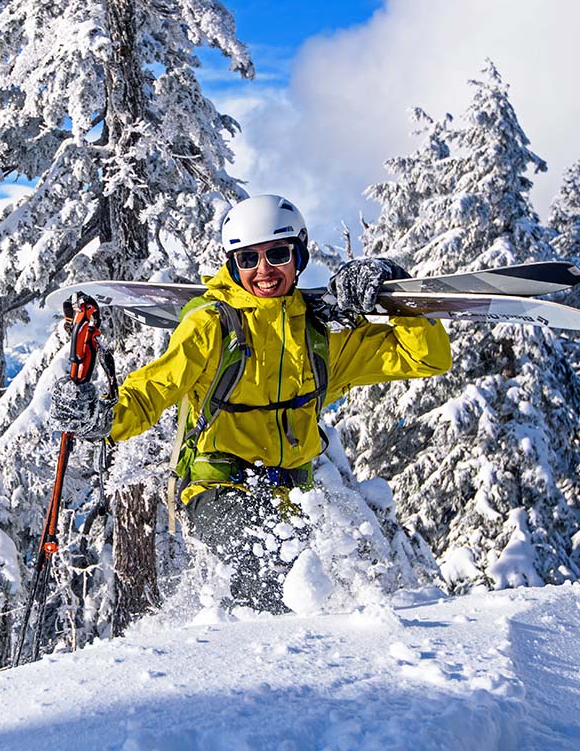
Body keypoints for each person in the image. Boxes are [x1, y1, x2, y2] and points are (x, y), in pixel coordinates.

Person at [48, 194, 452, 612]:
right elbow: (155, 386)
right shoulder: (211, 325)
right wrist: (102, 418)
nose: (264, 271)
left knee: (304, 590)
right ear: (232, 263)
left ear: (299, 254)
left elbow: (426, 358)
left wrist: (397, 296)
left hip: (291, 494)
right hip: (215, 486)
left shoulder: (319, 339)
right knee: (268, 570)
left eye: (277, 254)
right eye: (248, 259)